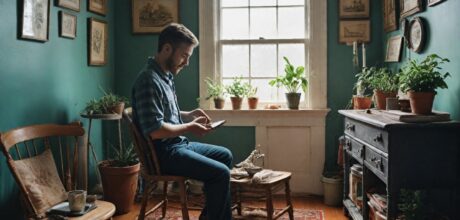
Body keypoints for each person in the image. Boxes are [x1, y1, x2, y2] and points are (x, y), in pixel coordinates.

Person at [131, 23, 233, 220]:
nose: (186, 62)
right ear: (167, 49)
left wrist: (188, 114)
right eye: (184, 55)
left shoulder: (165, 76)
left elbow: (166, 114)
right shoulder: (148, 81)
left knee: (225, 156)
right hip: (163, 154)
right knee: (220, 174)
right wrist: (190, 126)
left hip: (177, 145)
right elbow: (156, 130)